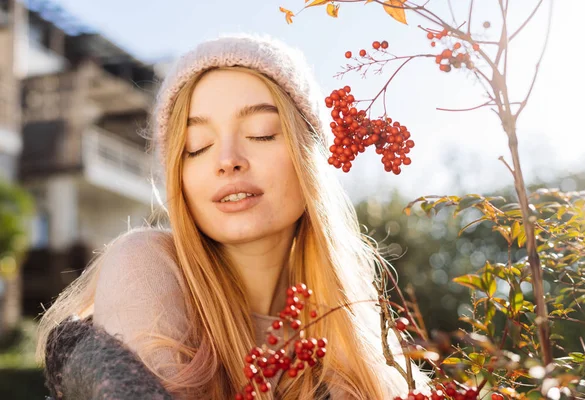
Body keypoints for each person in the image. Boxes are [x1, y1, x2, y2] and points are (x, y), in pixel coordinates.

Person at [36, 34, 429, 399]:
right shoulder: (146, 264)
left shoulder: (350, 328)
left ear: (310, 160)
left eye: (261, 133)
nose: (227, 161)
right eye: (197, 146)